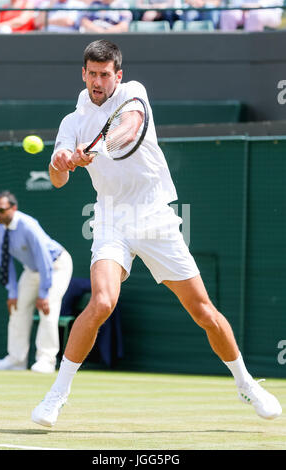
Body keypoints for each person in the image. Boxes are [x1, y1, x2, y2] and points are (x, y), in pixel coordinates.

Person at [32, 39, 282, 427]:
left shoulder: (133, 95)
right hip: (111, 219)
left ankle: (246, 383)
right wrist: (62, 161)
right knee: (101, 303)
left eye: (105, 74)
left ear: (118, 75)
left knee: (203, 312)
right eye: (91, 74)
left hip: (155, 218)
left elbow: (128, 131)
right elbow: (59, 179)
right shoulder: (71, 122)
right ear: (83, 74)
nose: (98, 81)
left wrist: (93, 150)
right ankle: (56, 395)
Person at [0, 191, 73, 373]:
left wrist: (43, 292)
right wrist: (12, 292)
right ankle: (16, 360)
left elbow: (44, 260)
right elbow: (4, 261)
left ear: (13, 208)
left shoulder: (28, 225)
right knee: (17, 308)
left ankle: (46, 361)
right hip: (31, 270)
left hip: (56, 265)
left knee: (48, 307)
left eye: (1, 211)